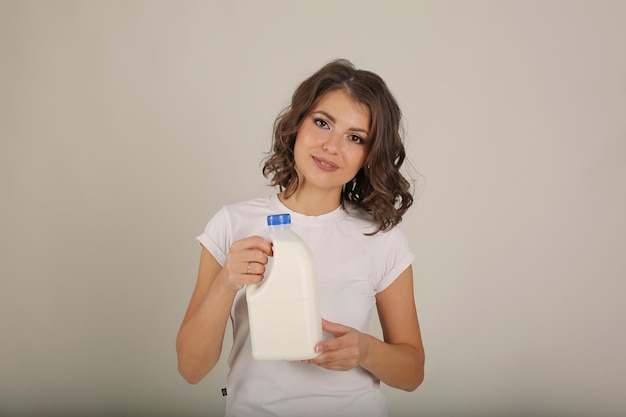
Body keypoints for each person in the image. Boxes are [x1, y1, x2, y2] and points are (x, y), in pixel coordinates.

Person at [176, 59, 425, 417]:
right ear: (297, 124)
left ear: (369, 155)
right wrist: (225, 282)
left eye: (355, 137)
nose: (331, 146)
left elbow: (412, 373)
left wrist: (366, 351)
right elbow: (190, 368)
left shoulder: (381, 239)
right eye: (322, 123)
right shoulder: (232, 223)